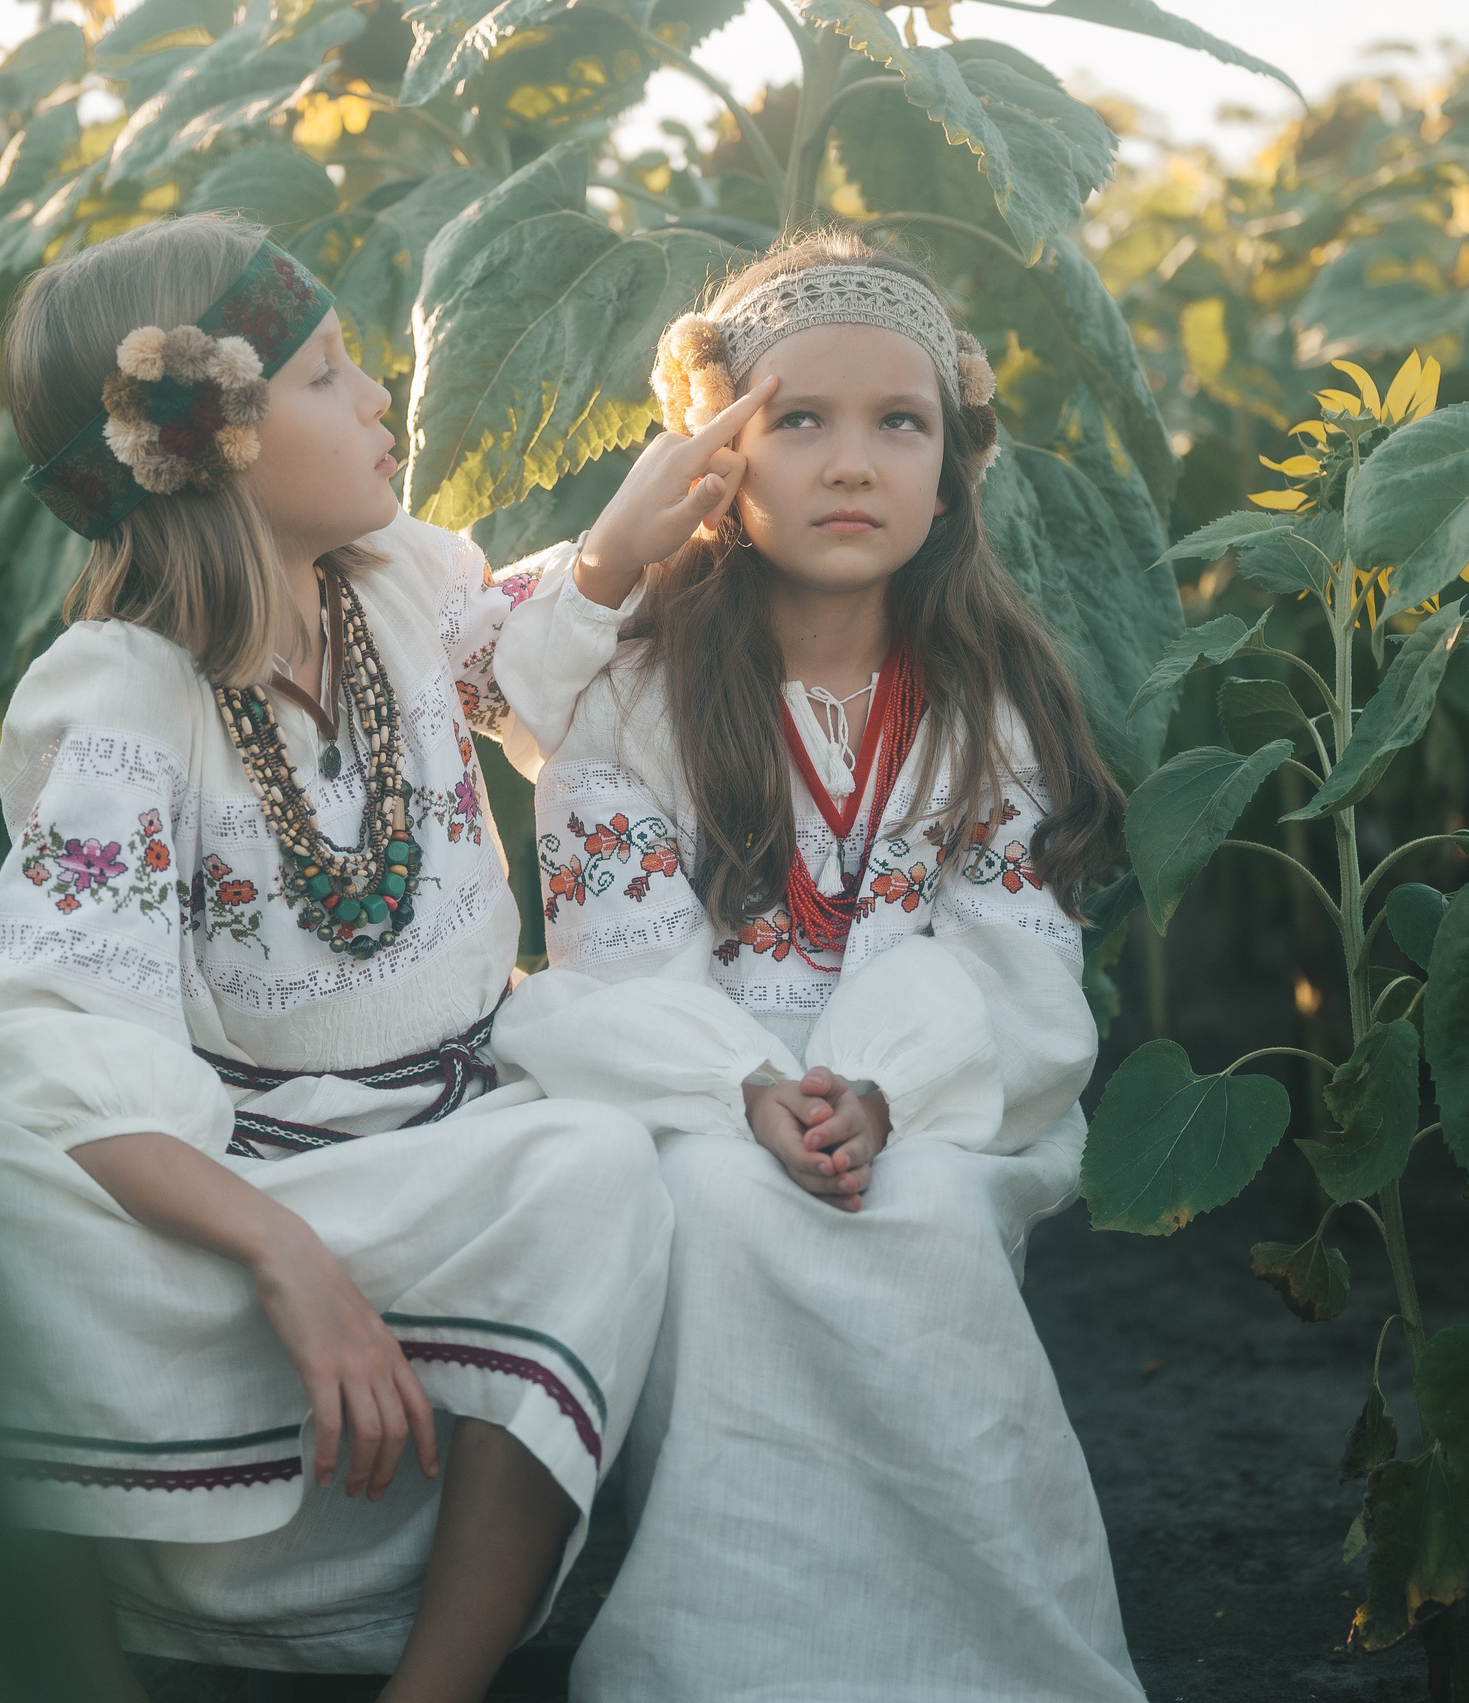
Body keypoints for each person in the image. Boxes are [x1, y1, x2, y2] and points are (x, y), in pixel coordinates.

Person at [0, 214, 761, 1700]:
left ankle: (433, 1683)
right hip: (239, 1181)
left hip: (445, 1158)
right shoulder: (119, 690)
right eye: (327, 374)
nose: (379, 401)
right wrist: (277, 1246)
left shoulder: (403, 581)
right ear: (212, 442)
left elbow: (531, 657)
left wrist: (626, 542)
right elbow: (49, 1035)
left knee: (595, 1166)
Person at [493, 229, 1146, 1701]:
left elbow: (1019, 968)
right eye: (799, 419)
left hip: (930, 1088)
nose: (852, 462)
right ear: (720, 453)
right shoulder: (634, 689)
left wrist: (885, 1085)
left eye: (897, 423)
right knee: (722, 1202)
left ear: (951, 464)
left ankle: (978, 1657)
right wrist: (746, 1082)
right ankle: (730, 1655)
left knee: (918, 1207)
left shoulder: (993, 704)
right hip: (686, 1082)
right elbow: (616, 968)